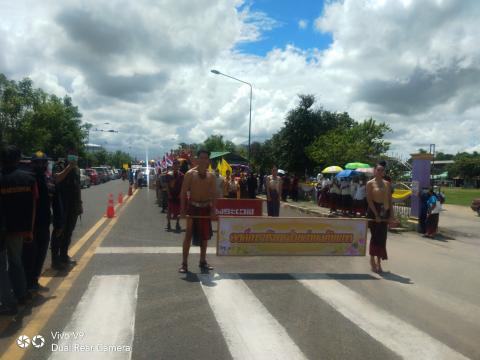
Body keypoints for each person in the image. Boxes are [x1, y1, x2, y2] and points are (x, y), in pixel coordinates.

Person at [0, 146, 37, 305]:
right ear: (18, 159)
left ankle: (8, 298)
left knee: (3, 267)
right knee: (15, 262)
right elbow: (33, 206)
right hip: (19, 229)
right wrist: (30, 229)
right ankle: (21, 294)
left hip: (2, 229)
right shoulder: (28, 178)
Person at [23, 151, 63, 290]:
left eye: (43, 162)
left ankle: (34, 281)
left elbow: (57, 204)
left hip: (44, 224)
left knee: (40, 254)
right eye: (37, 162)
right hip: (28, 226)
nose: (40, 165)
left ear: (46, 164)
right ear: (32, 164)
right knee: (28, 256)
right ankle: (26, 283)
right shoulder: (26, 180)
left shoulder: (50, 180)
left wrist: (59, 224)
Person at [178, 149, 217, 273]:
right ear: (197, 159)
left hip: (205, 208)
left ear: (208, 160)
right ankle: (184, 264)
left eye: (206, 158)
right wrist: (183, 210)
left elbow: (214, 195)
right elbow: (183, 193)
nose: (203, 160)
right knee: (188, 235)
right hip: (192, 208)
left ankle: (202, 261)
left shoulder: (211, 176)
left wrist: (213, 211)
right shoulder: (190, 174)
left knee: (204, 237)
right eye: (201, 157)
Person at [51, 150, 82, 269]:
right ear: (67, 155)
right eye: (71, 154)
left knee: (69, 230)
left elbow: (78, 186)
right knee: (59, 230)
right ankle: (55, 259)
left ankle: (64, 255)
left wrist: (80, 203)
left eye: (75, 154)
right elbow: (57, 179)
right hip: (61, 202)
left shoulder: (77, 169)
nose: (74, 157)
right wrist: (68, 168)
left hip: (73, 203)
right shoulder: (59, 165)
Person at [366, 163, 393, 273]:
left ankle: (379, 262)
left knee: (382, 237)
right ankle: (372, 260)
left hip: (384, 211)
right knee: (375, 236)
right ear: (374, 171)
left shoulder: (387, 184)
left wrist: (392, 214)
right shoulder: (370, 183)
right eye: (379, 170)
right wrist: (376, 214)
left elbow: (390, 200)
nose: (381, 172)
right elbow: (369, 200)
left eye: (382, 170)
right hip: (374, 211)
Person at [166, 160, 184, 232]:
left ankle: (177, 223)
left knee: (178, 211)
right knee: (169, 210)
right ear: (173, 166)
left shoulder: (182, 175)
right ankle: (168, 223)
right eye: (175, 165)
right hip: (171, 194)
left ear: (179, 166)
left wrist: (180, 194)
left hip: (178, 195)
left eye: (177, 165)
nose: (176, 166)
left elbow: (183, 186)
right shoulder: (169, 174)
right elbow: (167, 186)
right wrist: (169, 194)